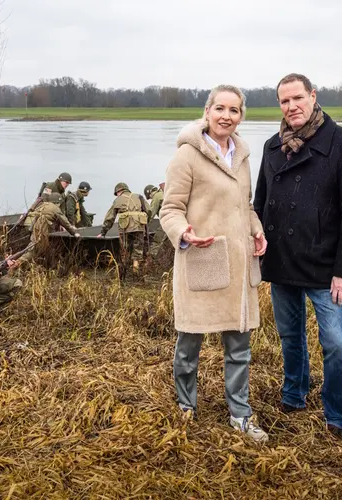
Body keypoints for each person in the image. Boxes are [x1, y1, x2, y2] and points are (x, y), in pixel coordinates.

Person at [253, 73, 342, 439]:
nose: (292, 107)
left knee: (335, 343)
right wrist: (256, 244)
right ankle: (294, 395)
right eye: (284, 101)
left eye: (297, 98)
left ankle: (336, 416)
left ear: (313, 96)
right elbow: (259, 203)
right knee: (290, 337)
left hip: (326, 269)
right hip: (282, 261)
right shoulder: (273, 147)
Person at [159, 84, 269, 444]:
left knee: (239, 349)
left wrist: (257, 230)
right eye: (219, 108)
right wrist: (184, 232)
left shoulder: (243, 156)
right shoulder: (187, 156)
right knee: (189, 344)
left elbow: (246, 204)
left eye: (234, 110)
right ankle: (185, 406)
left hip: (238, 268)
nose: (226, 115)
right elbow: (169, 210)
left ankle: (240, 414)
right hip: (202, 259)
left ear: (241, 116)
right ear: (207, 112)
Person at [97, 182, 149, 277]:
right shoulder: (139, 197)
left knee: (125, 249)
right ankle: (135, 270)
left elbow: (110, 218)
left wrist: (103, 232)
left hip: (125, 229)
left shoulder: (118, 200)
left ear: (119, 191)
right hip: (139, 227)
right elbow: (149, 210)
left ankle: (123, 273)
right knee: (138, 249)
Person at [19, 192, 80, 264]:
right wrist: (74, 233)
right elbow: (65, 223)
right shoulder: (55, 208)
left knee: (33, 247)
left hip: (31, 227)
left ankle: (24, 261)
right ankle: (17, 263)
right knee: (35, 250)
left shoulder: (43, 205)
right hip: (40, 229)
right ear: (58, 202)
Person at [144, 184, 169, 258]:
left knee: (157, 241)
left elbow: (151, 214)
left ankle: (150, 261)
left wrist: (144, 226)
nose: (151, 198)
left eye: (150, 197)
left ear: (150, 192)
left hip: (167, 221)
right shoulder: (164, 193)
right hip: (177, 220)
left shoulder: (157, 196)